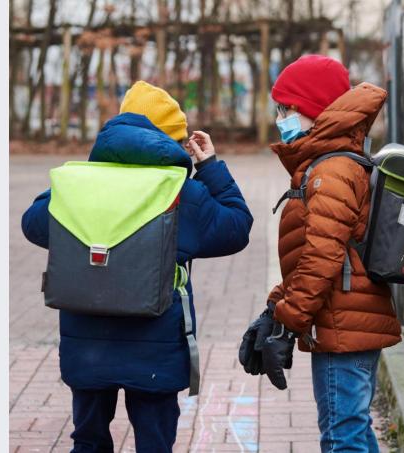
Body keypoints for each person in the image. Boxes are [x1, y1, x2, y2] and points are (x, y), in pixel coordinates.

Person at [21, 81, 253, 452]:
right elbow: (237, 227)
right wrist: (208, 166)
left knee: (88, 441)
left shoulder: (84, 182)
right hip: (155, 349)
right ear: (170, 140)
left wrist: (82, 177)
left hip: (87, 345)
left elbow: (33, 222)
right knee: (154, 443)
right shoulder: (181, 193)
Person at [239, 55, 401, 452]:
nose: (281, 118)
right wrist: (273, 311)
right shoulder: (327, 165)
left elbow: (321, 260)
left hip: (343, 326)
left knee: (342, 438)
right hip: (343, 321)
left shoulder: (332, 172)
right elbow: (317, 254)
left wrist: (288, 323)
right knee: (353, 431)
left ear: (314, 109)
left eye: (287, 108)